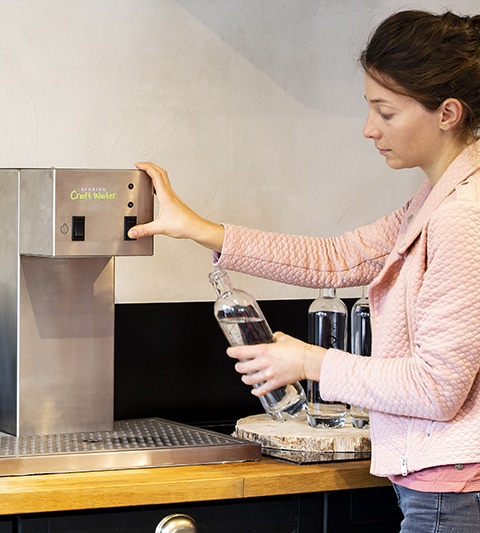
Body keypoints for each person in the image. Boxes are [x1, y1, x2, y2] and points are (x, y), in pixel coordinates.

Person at [127, 10, 480, 533]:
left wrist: (310, 362)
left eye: (385, 112)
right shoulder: (437, 198)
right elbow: (336, 258)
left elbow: (435, 388)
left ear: (447, 112)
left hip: (454, 491)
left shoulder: (463, 215)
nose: (368, 129)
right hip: (443, 483)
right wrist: (200, 228)